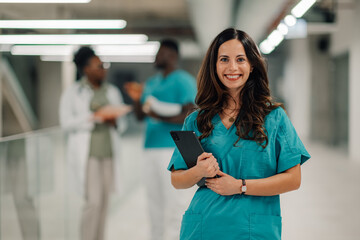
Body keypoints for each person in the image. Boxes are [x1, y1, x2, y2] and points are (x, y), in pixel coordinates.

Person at [168, 28, 311, 240]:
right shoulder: (197, 120)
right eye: (224, 59)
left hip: (253, 230)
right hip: (204, 227)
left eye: (240, 59)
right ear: (214, 66)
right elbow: (177, 180)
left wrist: (240, 186)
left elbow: (293, 179)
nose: (232, 67)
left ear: (252, 65)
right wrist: (198, 171)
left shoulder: (274, 117)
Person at [125, 39, 197, 240]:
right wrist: (136, 98)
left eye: (161, 53)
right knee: (153, 202)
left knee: (176, 202)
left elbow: (190, 114)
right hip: (150, 148)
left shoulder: (183, 80)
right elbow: (141, 116)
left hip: (173, 149)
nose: (156, 57)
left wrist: (160, 117)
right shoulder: (151, 83)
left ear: (172, 56)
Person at [59, 46, 131, 240]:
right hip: (89, 154)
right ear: (86, 69)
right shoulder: (73, 92)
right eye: (98, 66)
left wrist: (114, 121)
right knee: (93, 201)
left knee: (105, 201)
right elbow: (65, 123)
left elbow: (122, 126)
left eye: (103, 65)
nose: (103, 69)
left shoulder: (112, 91)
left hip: (109, 153)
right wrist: (94, 117)